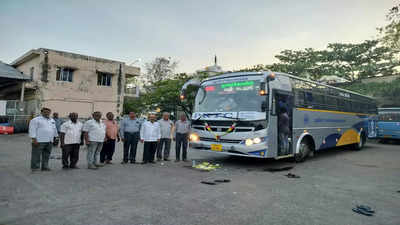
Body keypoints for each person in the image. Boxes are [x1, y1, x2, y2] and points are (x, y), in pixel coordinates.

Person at [28, 107, 58, 172]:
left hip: (49, 140)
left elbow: (54, 129)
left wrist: (56, 137)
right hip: (39, 140)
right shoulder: (35, 120)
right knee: (36, 155)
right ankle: (35, 167)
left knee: (47, 154)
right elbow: (32, 129)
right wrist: (34, 139)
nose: (47, 113)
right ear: (42, 112)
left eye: (48, 112)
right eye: (45, 112)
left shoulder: (52, 120)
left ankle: (45, 167)